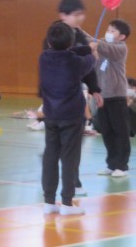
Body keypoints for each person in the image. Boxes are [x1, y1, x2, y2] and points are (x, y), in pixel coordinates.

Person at [40, 22, 98, 216]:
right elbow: (90, 61)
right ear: (72, 41)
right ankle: (67, 203)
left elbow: (70, 51)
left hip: (51, 115)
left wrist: (87, 48)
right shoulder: (75, 62)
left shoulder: (44, 57)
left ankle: (49, 201)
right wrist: (92, 52)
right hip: (71, 117)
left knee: (50, 156)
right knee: (70, 158)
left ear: (49, 42)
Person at [85, 20, 131, 178]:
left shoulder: (120, 48)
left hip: (116, 96)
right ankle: (111, 164)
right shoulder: (101, 45)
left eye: (113, 31)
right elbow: (94, 45)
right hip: (102, 97)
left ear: (122, 36)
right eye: (108, 30)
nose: (108, 33)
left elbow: (102, 46)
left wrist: (84, 36)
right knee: (107, 132)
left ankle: (122, 166)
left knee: (120, 132)